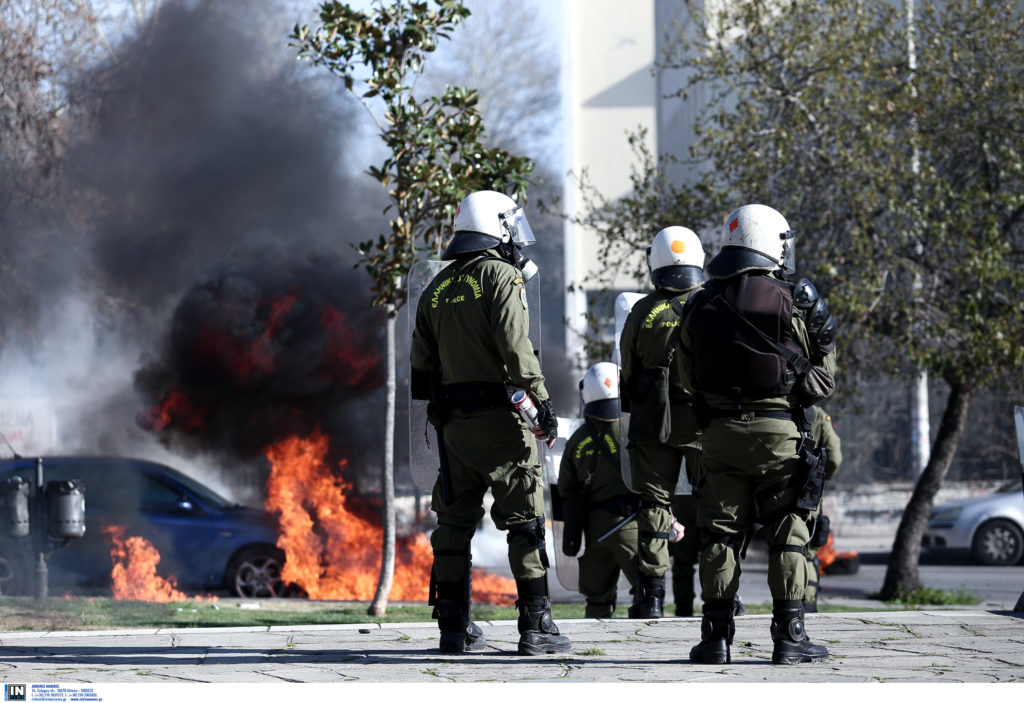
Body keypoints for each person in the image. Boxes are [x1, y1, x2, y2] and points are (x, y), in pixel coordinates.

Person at [410, 190, 570, 656]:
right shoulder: (501, 275)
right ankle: (536, 626)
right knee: (523, 523)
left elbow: (422, 367)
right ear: (497, 226)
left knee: (453, 524)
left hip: (454, 429)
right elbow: (516, 349)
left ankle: (453, 627)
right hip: (503, 424)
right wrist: (541, 402)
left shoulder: (435, 288)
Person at [679, 203, 837, 665]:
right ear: (771, 242)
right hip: (779, 435)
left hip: (720, 434)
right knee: (790, 532)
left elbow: (686, 376)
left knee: (720, 537)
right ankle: (789, 636)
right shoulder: (795, 298)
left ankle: (715, 638)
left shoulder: (699, 303)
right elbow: (822, 376)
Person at [619, 226, 706, 618]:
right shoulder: (711, 305)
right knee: (718, 504)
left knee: (654, 504)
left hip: (654, 421)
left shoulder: (641, 310)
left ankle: (652, 596)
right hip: (705, 422)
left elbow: (628, 372)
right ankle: (727, 594)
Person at [557, 362, 639, 618]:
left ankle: (593, 648)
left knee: (597, 600)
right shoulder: (633, 429)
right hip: (631, 523)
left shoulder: (577, 439)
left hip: (593, 529)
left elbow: (565, 488)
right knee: (647, 592)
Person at [804, 406, 843, 612]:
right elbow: (834, 458)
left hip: (765, 492)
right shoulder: (817, 414)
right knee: (806, 552)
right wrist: (818, 478)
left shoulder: (765, 403)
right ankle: (805, 609)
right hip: (806, 493)